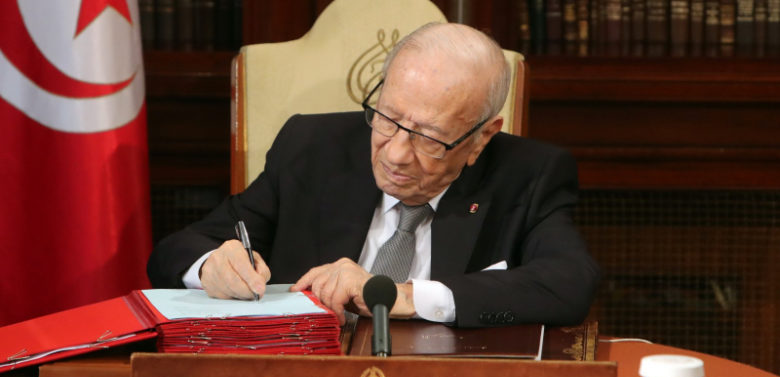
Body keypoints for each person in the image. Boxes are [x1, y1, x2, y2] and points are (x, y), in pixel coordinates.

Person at [147, 22, 599, 327]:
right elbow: (177, 250)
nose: (396, 154)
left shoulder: (528, 174)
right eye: (387, 119)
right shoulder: (311, 147)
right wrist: (211, 265)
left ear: (482, 137)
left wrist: (400, 295)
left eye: (429, 137)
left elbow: (570, 284)